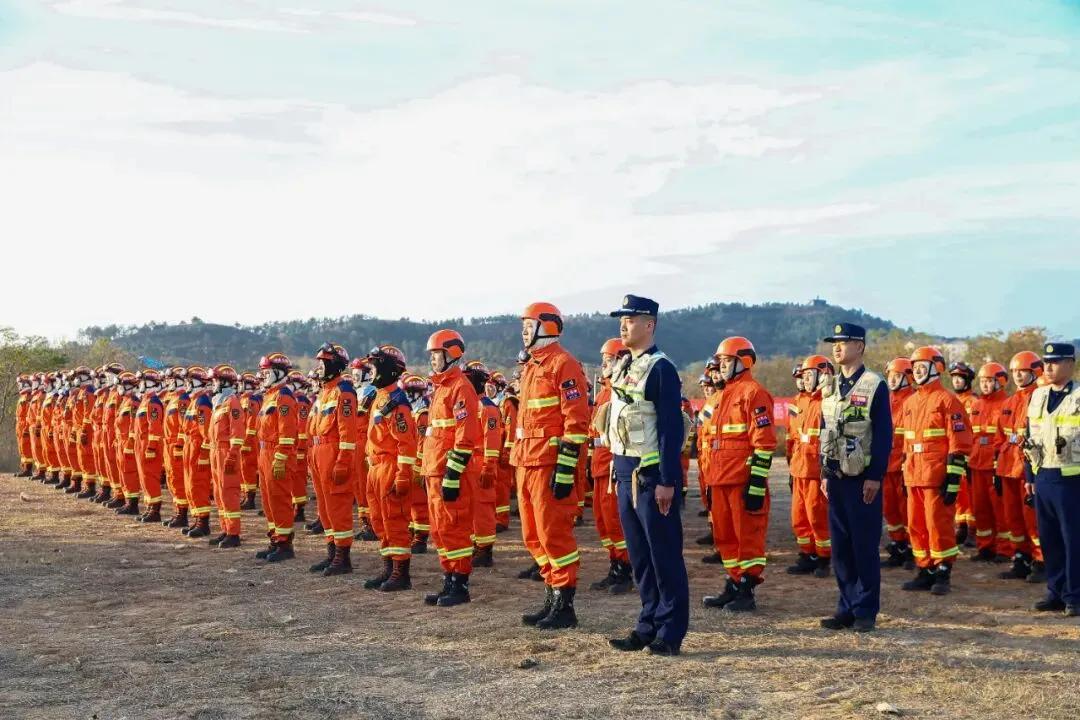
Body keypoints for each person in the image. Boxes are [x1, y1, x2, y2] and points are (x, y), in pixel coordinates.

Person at [600, 296, 689, 656]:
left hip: (651, 477)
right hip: (624, 473)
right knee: (639, 557)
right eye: (622, 319)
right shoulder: (624, 366)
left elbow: (669, 429)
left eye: (631, 319)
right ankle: (647, 623)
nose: (623, 325)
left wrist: (668, 480)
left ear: (649, 324)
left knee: (664, 556)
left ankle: (670, 632)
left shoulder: (661, 368)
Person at [512, 303, 591, 630]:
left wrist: (565, 468)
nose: (524, 332)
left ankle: (564, 604)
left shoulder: (563, 363)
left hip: (547, 462)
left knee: (553, 534)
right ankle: (551, 594)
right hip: (525, 460)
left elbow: (577, 421)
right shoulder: (532, 366)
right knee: (532, 536)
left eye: (529, 326)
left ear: (546, 326)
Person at [818, 324, 892, 632]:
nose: (836, 348)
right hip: (836, 477)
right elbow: (824, 430)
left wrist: (875, 476)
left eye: (843, 342)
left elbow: (884, 434)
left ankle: (865, 609)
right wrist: (824, 472)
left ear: (859, 346)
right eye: (834, 343)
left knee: (864, 546)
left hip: (862, 480)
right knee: (841, 548)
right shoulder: (829, 385)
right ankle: (846, 606)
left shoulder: (874, 384)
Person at [700, 336, 776, 612]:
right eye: (719, 360)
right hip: (718, 479)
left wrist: (756, 483)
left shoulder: (753, 393)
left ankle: (747, 588)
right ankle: (734, 582)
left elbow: (764, 443)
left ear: (743, 361)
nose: (721, 365)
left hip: (741, 481)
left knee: (747, 537)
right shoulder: (719, 397)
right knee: (725, 537)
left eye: (727, 360)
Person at [899, 346, 973, 596]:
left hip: (936, 475)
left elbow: (959, 442)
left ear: (936, 368)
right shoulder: (910, 402)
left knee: (938, 525)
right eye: (915, 368)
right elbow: (906, 443)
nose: (918, 372)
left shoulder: (947, 400)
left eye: (922, 367)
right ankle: (924, 569)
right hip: (913, 474)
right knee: (916, 525)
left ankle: (943, 570)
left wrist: (953, 478)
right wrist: (903, 473)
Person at [421, 329, 480, 607]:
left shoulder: (460, 387)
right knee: (440, 530)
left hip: (448, 472)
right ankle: (449, 579)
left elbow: (465, 436)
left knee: (455, 528)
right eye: (432, 355)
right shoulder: (441, 387)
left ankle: (460, 585)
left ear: (451, 354)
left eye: (437, 354)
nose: (433, 359)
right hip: (434, 470)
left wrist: (453, 474)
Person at [1025, 343, 1080, 617]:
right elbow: (1029, 437)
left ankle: (1075, 595)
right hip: (1043, 476)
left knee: (1074, 541)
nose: (1048, 367)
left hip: (1072, 479)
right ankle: (1055, 591)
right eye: (1046, 362)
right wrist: (1029, 475)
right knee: (1050, 540)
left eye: (1055, 362)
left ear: (1071, 363)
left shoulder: (1078, 396)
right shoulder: (1037, 395)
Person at [362, 344, 418, 591]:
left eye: (375, 367)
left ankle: (400, 573)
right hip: (375, 467)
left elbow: (406, 443)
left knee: (394, 519)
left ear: (387, 370)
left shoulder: (397, 403)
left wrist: (403, 475)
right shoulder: (379, 397)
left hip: (390, 467)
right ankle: (388, 567)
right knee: (379, 520)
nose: (371, 371)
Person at [307, 343, 359, 576]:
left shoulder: (344, 392)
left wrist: (343, 461)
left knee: (338, 506)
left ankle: (342, 557)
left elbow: (348, 432)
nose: (319, 366)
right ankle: (332, 551)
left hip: (333, 453)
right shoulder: (324, 392)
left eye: (323, 362)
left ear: (333, 365)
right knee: (324, 507)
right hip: (319, 453)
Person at [995, 351, 1046, 581]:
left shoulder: (1040, 399)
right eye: (1015, 371)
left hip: (1029, 468)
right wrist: (997, 469)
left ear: (1035, 372)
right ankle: (1021, 558)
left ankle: (1041, 560)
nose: (1017, 375)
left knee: (1033, 519)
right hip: (1008, 468)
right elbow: (1000, 438)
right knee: (1013, 517)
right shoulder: (1009, 402)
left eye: (1023, 371)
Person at [588, 338, 634, 595]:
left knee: (616, 521)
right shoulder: (605, 392)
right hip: (600, 465)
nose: (603, 364)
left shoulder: (624, 391)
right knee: (603, 521)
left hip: (613, 466)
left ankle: (626, 569)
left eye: (608, 360)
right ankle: (615, 564)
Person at [787, 354, 833, 578]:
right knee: (799, 517)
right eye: (803, 375)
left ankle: (824, 557)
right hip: (799, 468)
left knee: (818, 516)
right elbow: (792, 436)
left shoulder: (829, 402)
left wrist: (828, 470)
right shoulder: (798, 402)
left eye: (809, 375)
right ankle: (807, 555)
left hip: (817, 470)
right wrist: (790, 465)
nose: (805, 379)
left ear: (822, 376)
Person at [253, 353, 299, 562]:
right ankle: (275, 539)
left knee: (279, 499)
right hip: (265, 453)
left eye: (267, 372)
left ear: (279, 373)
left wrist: (280, 458)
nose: (263, 376)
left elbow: (287, 433)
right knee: (268, 500)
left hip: (277, 454)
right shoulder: (270, 396)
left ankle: (285, 544)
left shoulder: (284, 397)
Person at [969, 363, 1009, 562]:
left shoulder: (1006, 404)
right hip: (976, 464)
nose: (984, 385)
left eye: (989, 381)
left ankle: (1004, 549)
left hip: (995, 464)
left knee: (999, 509)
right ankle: (985, 547)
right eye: (982, 381)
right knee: (980, 508)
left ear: (999, 382)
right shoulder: (976, 406)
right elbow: (970, 436)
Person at [881, 358, 916, 569]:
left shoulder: (913, 401)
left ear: (907, 378)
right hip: (886, 466)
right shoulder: (886, 400)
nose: (892, 380)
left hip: (904, 466)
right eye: (890, 376)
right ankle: (898, 545)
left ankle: (913, 549)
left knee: (907, 511)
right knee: (890, 509)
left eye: (897, 376)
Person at [207, 365, 245, 548]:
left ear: (224, 382)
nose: (212, 384)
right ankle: (225, 529)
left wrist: (232, 454)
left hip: (225, 453)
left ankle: (233, 533)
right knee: (219, 492)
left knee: (229, 492)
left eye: (215, 380)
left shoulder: (232, 403)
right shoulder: (219, 403)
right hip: (215, 452)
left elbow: (237, 433)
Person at [948, 362, 979, 546]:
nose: (956, 381)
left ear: (967, 380)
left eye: (960, 378)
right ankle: (961, 526)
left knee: (970, 495)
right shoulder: (951, 400)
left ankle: (972, 530)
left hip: (971, 456)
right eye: (954, 378)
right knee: (959, 492)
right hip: (955, 454)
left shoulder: (974, 402)